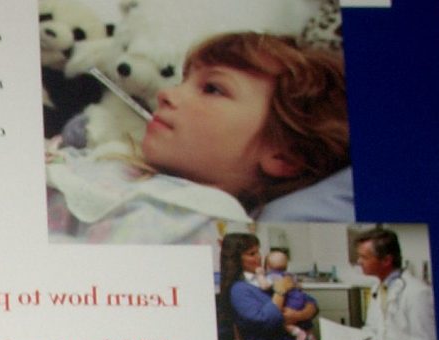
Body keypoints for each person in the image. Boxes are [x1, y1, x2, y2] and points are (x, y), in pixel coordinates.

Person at [48, 32, 349, 244]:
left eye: (212, 89)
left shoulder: (196, 219)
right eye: (183, 81)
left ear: (284, 156)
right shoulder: (136, 170)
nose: (166, 94)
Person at [220, 229, 343, 340]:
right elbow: (267, 321)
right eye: (251, 253)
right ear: (236, 259)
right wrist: (280, 292)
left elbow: (310, 302)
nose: (259, 257)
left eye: (258, 251)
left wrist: (299, 314)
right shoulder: (239, 290)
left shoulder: (270, 276)